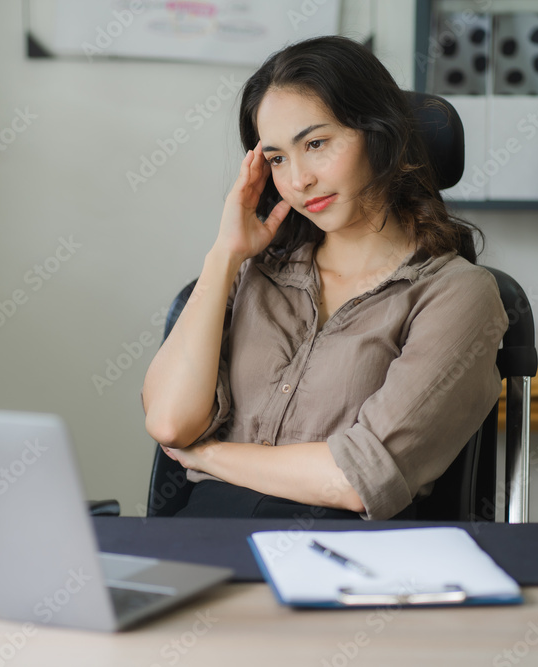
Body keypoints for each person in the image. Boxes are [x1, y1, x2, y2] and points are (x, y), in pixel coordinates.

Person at [140, 35, 508, 521]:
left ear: (379, 135)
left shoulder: (457, 294)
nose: (297, 180)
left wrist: (207, 456)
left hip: (339, 557)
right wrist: (223, 256)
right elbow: (169, 423)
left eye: (315, 144)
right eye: (276, 159)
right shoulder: (251, 274)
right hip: (203, 537)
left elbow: (361, 480)